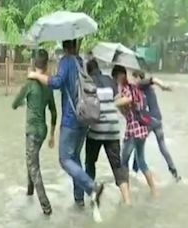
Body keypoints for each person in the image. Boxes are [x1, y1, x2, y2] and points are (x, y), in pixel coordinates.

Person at [28, 40, 104, 209]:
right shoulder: (81, 61)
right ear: (76, 45)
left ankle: (92, 187)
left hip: (71, 119)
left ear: (64, 46)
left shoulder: (67, 61)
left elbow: (56, 82)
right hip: (84, 118)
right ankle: (79, 201)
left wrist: (35, 76)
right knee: (75, 158)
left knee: (64, 159)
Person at [11, 49, 57, 216]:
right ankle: (30, 191)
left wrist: (23, 103)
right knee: (31, 159)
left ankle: (46, 207)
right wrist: (52, 135)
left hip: (32, 131)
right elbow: (54, 111)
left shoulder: (29, 84)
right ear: (46, 66)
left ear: (33, 64)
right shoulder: (48, 87)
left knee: (33, 166)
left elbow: (14, 104)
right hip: (43, 131)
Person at [84, 59, 132, 205]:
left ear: (88, 70)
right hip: (113, 129)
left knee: (90, 163)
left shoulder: (88, 82)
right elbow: (117, 100)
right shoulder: (110, 81)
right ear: (99, 68)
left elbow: (86, 107)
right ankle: (128, 200)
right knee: (117, 166)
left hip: (96, 130)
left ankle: (92, 193)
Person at [113, 65, 157, 198]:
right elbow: (128, 112)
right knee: (142, 162)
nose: (115, 81)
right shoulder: (134, 87)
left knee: (123, 162)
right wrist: (119, 101)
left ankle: (126, 195)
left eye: (116, 78)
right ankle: (154, 191)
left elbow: (129, 100)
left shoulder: (127, 89)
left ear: (120, 76)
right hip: (142, 129)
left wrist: (113, 102)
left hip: (133, 131)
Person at [131, 72, 182, 181]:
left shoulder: (141, 85)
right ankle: (174, 172)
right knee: (163, 147)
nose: (133, 81)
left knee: (138, 143)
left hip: (149, 121)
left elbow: (153, 79)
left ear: (139, 77)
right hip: (158, 120)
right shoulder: (147, 89)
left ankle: (134, 172)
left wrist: (164, 86)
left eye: (134, 78)